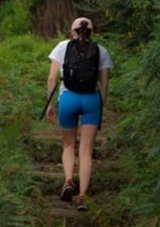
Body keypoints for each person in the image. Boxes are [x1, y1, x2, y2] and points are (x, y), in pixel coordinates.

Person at [45, 17, 113, 212]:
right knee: (86, 152)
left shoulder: (62, 46)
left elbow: (51, 78)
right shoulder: (100, 51)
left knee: (68, 145)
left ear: (71, 31)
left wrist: (50, 103)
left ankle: (68, 180)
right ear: (92, 31)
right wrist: (100, 104)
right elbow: (105, 85)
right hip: (91, 100)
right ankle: (82, 196)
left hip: (68, 99)